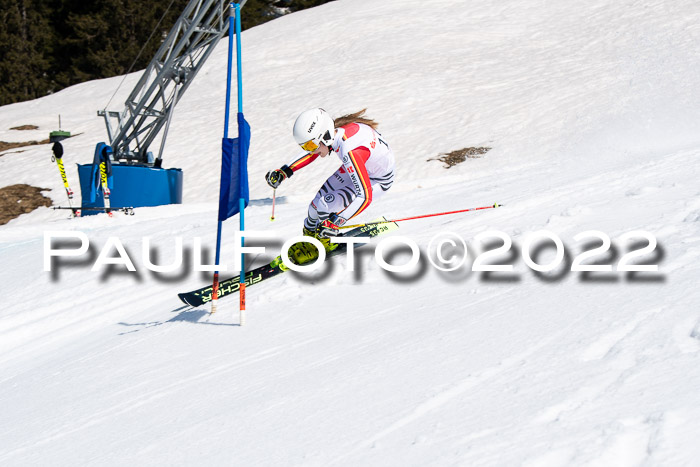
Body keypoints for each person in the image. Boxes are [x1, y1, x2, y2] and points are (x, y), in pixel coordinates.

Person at [266, 108, 395, 264]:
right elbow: (313, 152)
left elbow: (365, 196)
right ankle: (310, 240)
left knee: (325, 204)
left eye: (310, 145)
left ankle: (325, 243)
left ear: (324, 136)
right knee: (314, 206)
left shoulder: (350, 151)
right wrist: (284, 172)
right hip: (362, 167)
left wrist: (335, 223)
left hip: (377, 181)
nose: (311, 150)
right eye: (306, 146)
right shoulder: (336, 134)